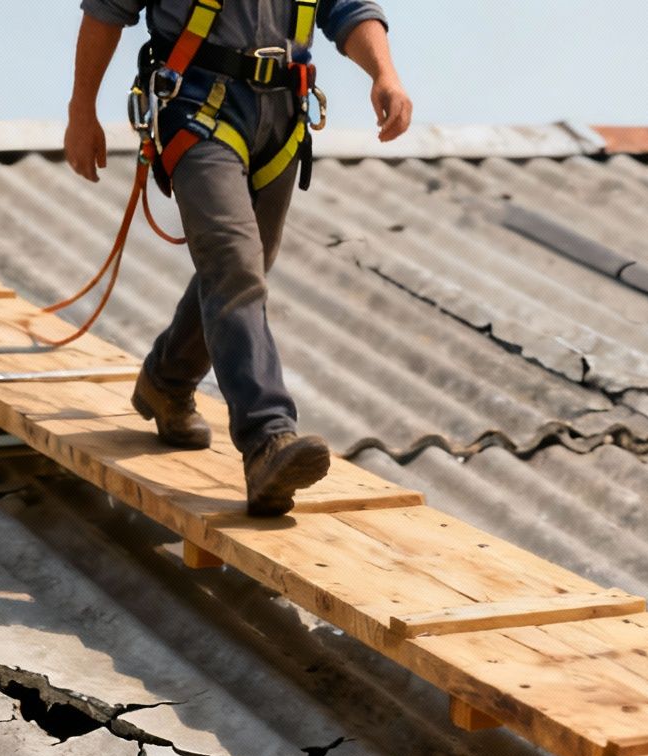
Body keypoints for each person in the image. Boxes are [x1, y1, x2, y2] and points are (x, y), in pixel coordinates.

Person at [65, 0, 412, 515]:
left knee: (244, 269)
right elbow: (106, 10)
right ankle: (267, 439)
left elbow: (347, 9)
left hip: (282, 117)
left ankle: (167, 381)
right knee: (234, 267)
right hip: (197, 106)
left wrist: (385, 74)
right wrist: (81, 111)